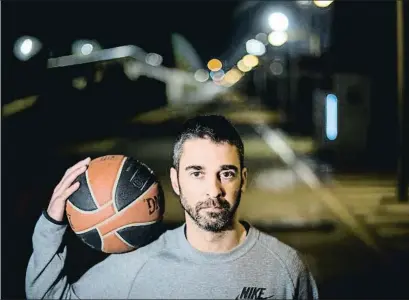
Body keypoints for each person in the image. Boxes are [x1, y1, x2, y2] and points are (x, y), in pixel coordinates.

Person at [26, 114, 319, 299]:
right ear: (175, 182)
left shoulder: (284, 268)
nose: (213, 190)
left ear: (242, 180)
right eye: (197, 173)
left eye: (226, 173)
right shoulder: (138, 266)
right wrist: (52, 225)